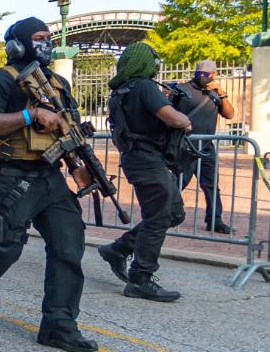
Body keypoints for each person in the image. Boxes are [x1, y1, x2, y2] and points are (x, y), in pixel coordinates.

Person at [0, 17, 98, 352]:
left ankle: (58, 326)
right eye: (38, 37)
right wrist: (30, 116)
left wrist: (79, 164)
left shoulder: (59, 83)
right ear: (18, 44)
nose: (46, 43)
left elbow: (68, 127)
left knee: (68, 247)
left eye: (49, 37)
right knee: (6, 249)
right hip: (13, 178)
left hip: (51, 178)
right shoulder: (0, 82)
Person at [96, 43, 192, 302]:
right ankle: (140, 278)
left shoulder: (121, 91)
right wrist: (185, 120)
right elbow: (173, 119)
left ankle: (119, 249)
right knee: (159, 218)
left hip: (141, 159)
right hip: (148, 161)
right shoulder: (144, 87)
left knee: (173, 213)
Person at [174, 60, 236, 234]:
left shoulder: (216, 94)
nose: (202, 77)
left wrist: (222, 95)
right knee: (179, 183)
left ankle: (215, 220)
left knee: (211, 185)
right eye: (199, 73)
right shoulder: (183, 90)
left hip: (207, 147)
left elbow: (230, 114)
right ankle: (163, 215)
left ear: (214, 74)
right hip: (185, 146)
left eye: (206, 74)